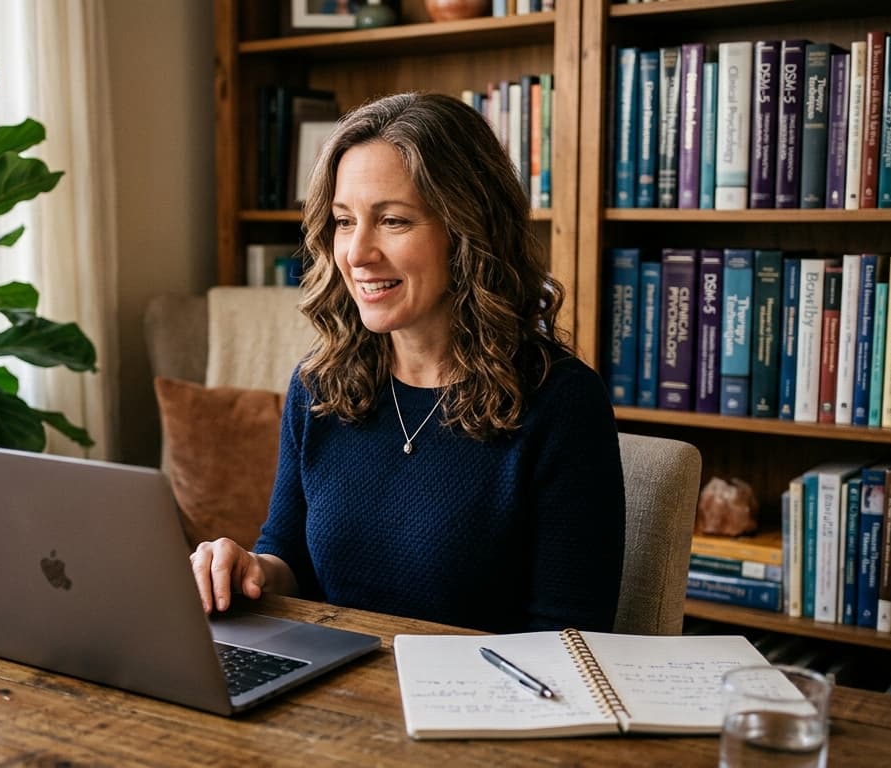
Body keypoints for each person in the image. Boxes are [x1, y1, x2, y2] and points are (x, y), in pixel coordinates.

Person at [190, 92, 625, 634]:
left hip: (482, 708)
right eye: (345, 221)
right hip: (331, 701)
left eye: (392, 221)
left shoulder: (561, 402)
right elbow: (290, 562)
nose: (356, 253)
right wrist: (248, 569)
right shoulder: (320, 385)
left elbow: (571, 635)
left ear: (468, 231)